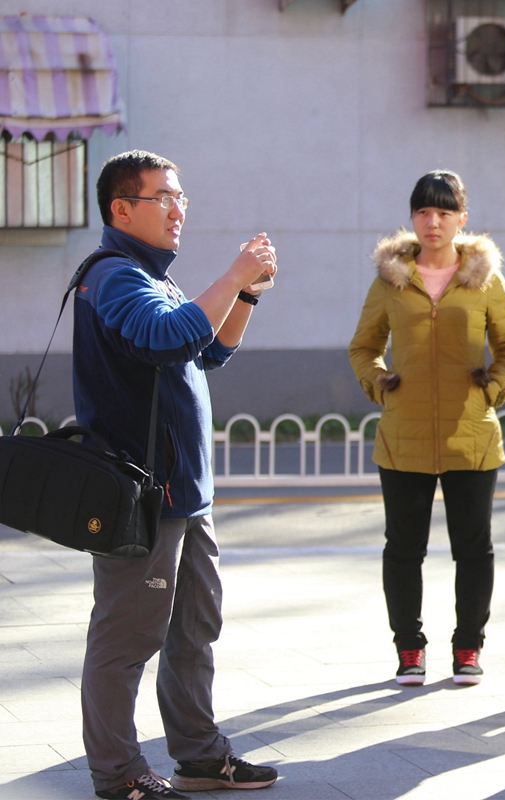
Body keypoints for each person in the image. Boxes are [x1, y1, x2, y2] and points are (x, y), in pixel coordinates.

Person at [74, 151, 279, 799]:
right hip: (143, 495)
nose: (178, 209)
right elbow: (167, 337)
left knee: (193, 630)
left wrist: (245, 293)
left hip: (184, 494)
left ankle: (199, 756)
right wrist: (231, 275)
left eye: (181, 197)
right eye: (164, 197)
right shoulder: (114, 276)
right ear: (121, 209)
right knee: (128, 637)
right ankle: (119, 775)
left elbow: (207, 349)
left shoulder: (151, 277)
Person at [349, 170, 505, 687]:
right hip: (403, 435)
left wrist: (491, 390)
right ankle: (409, 649)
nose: (433, 222)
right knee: (403, 548)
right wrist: (380, 384)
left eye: (444, 212)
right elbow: (364, 347)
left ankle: (468, 647)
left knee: (474, 548)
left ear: (461, 219)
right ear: (412, 217)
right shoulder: (391, 280)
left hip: (471, 433)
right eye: (424, 212)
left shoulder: (485, 280)